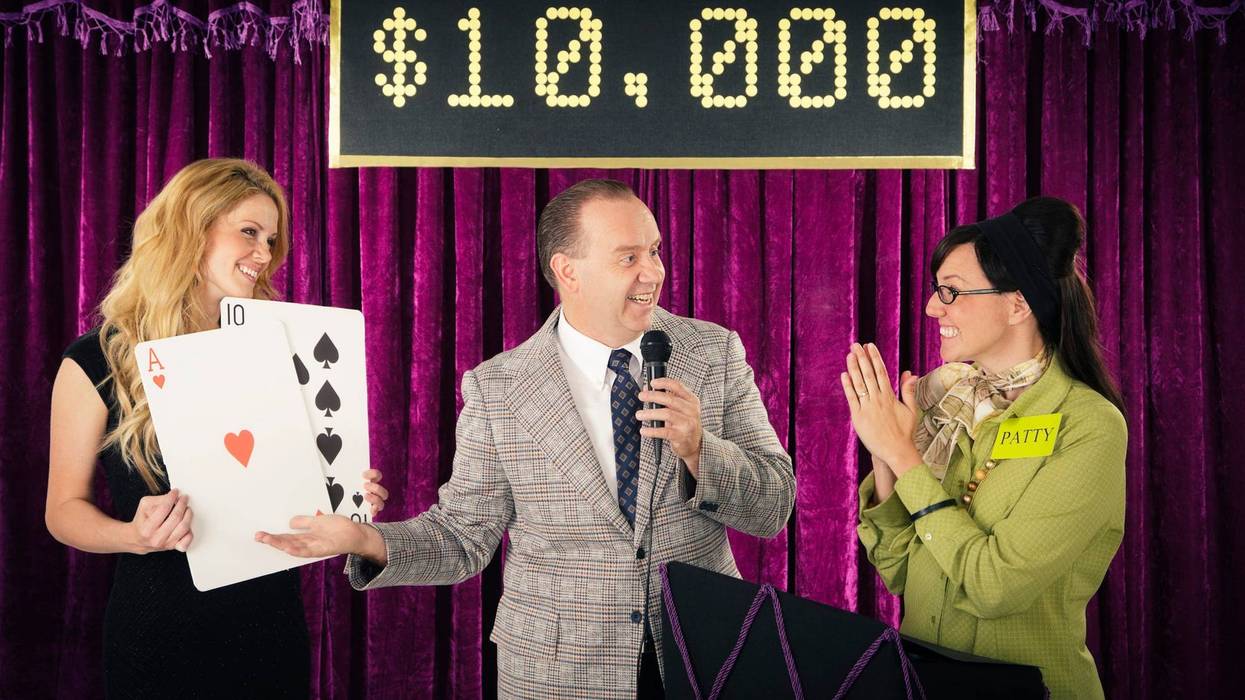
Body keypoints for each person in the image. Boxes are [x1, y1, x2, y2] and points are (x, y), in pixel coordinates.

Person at [257, 178, 796, 699]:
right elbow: (462, 537)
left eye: (654, 251)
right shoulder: (499, 389)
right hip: (557, 673)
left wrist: (702, 450)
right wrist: (363, 541)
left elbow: (774, 506)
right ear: (568, 271)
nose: (653, 272)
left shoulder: (712, 352)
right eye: (628, 257)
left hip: (704, 658)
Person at [46, 158, 388, 698]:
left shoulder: (282, 346)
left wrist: (346, 492)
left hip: (270, 628)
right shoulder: (96, 360)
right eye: (248, 232)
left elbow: (295, 481)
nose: (264, 253)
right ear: (190, 229)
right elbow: (62, 511)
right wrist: (132, 536)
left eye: (271, 239)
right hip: (158, 634)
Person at [844, 197, 1127, 699]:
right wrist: (885, 452)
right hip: (926, 684)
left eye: (950, 292)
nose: (932, 307)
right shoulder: (950, 403)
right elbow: (902, 570)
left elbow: (993, 588)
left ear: (1018, 303)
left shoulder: (1090, 427)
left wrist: (905, 456)